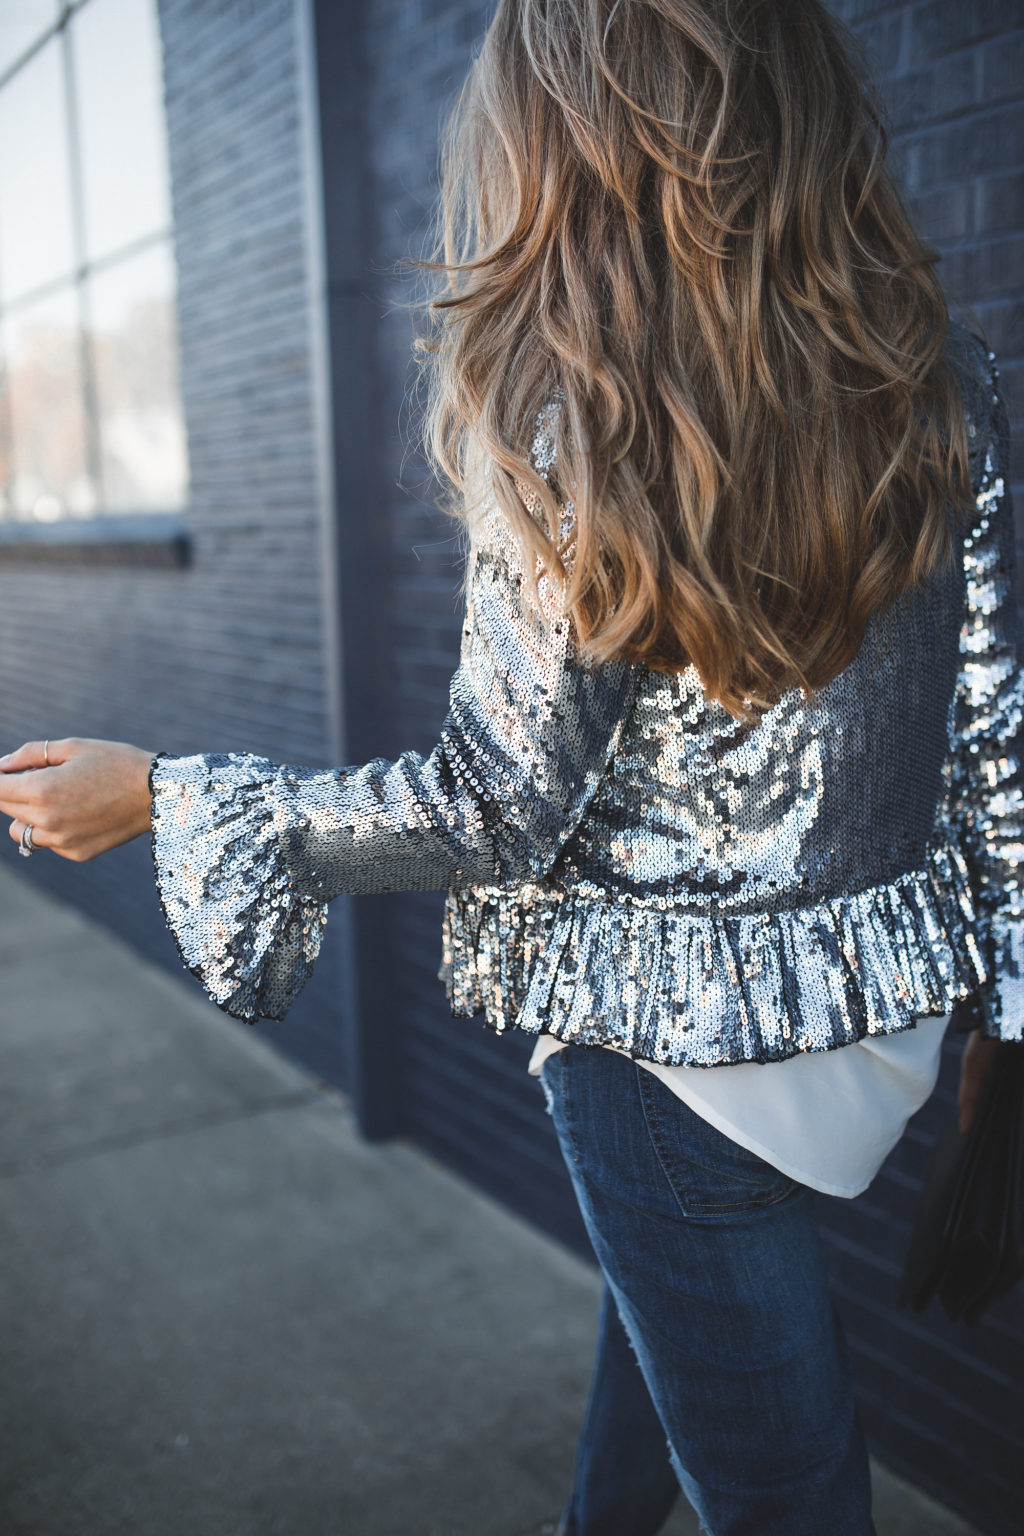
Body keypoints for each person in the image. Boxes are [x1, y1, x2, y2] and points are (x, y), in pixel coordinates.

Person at [0, 2, 1018, 1532]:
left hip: (660, 1070)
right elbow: (998, 736)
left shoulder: (575, 415)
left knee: (786, 1493)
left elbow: (492, 802)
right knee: (673, 1352)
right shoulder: (937, 373)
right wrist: (1007, 1002)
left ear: (559, 139)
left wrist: (165, 793)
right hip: (872, 1032)